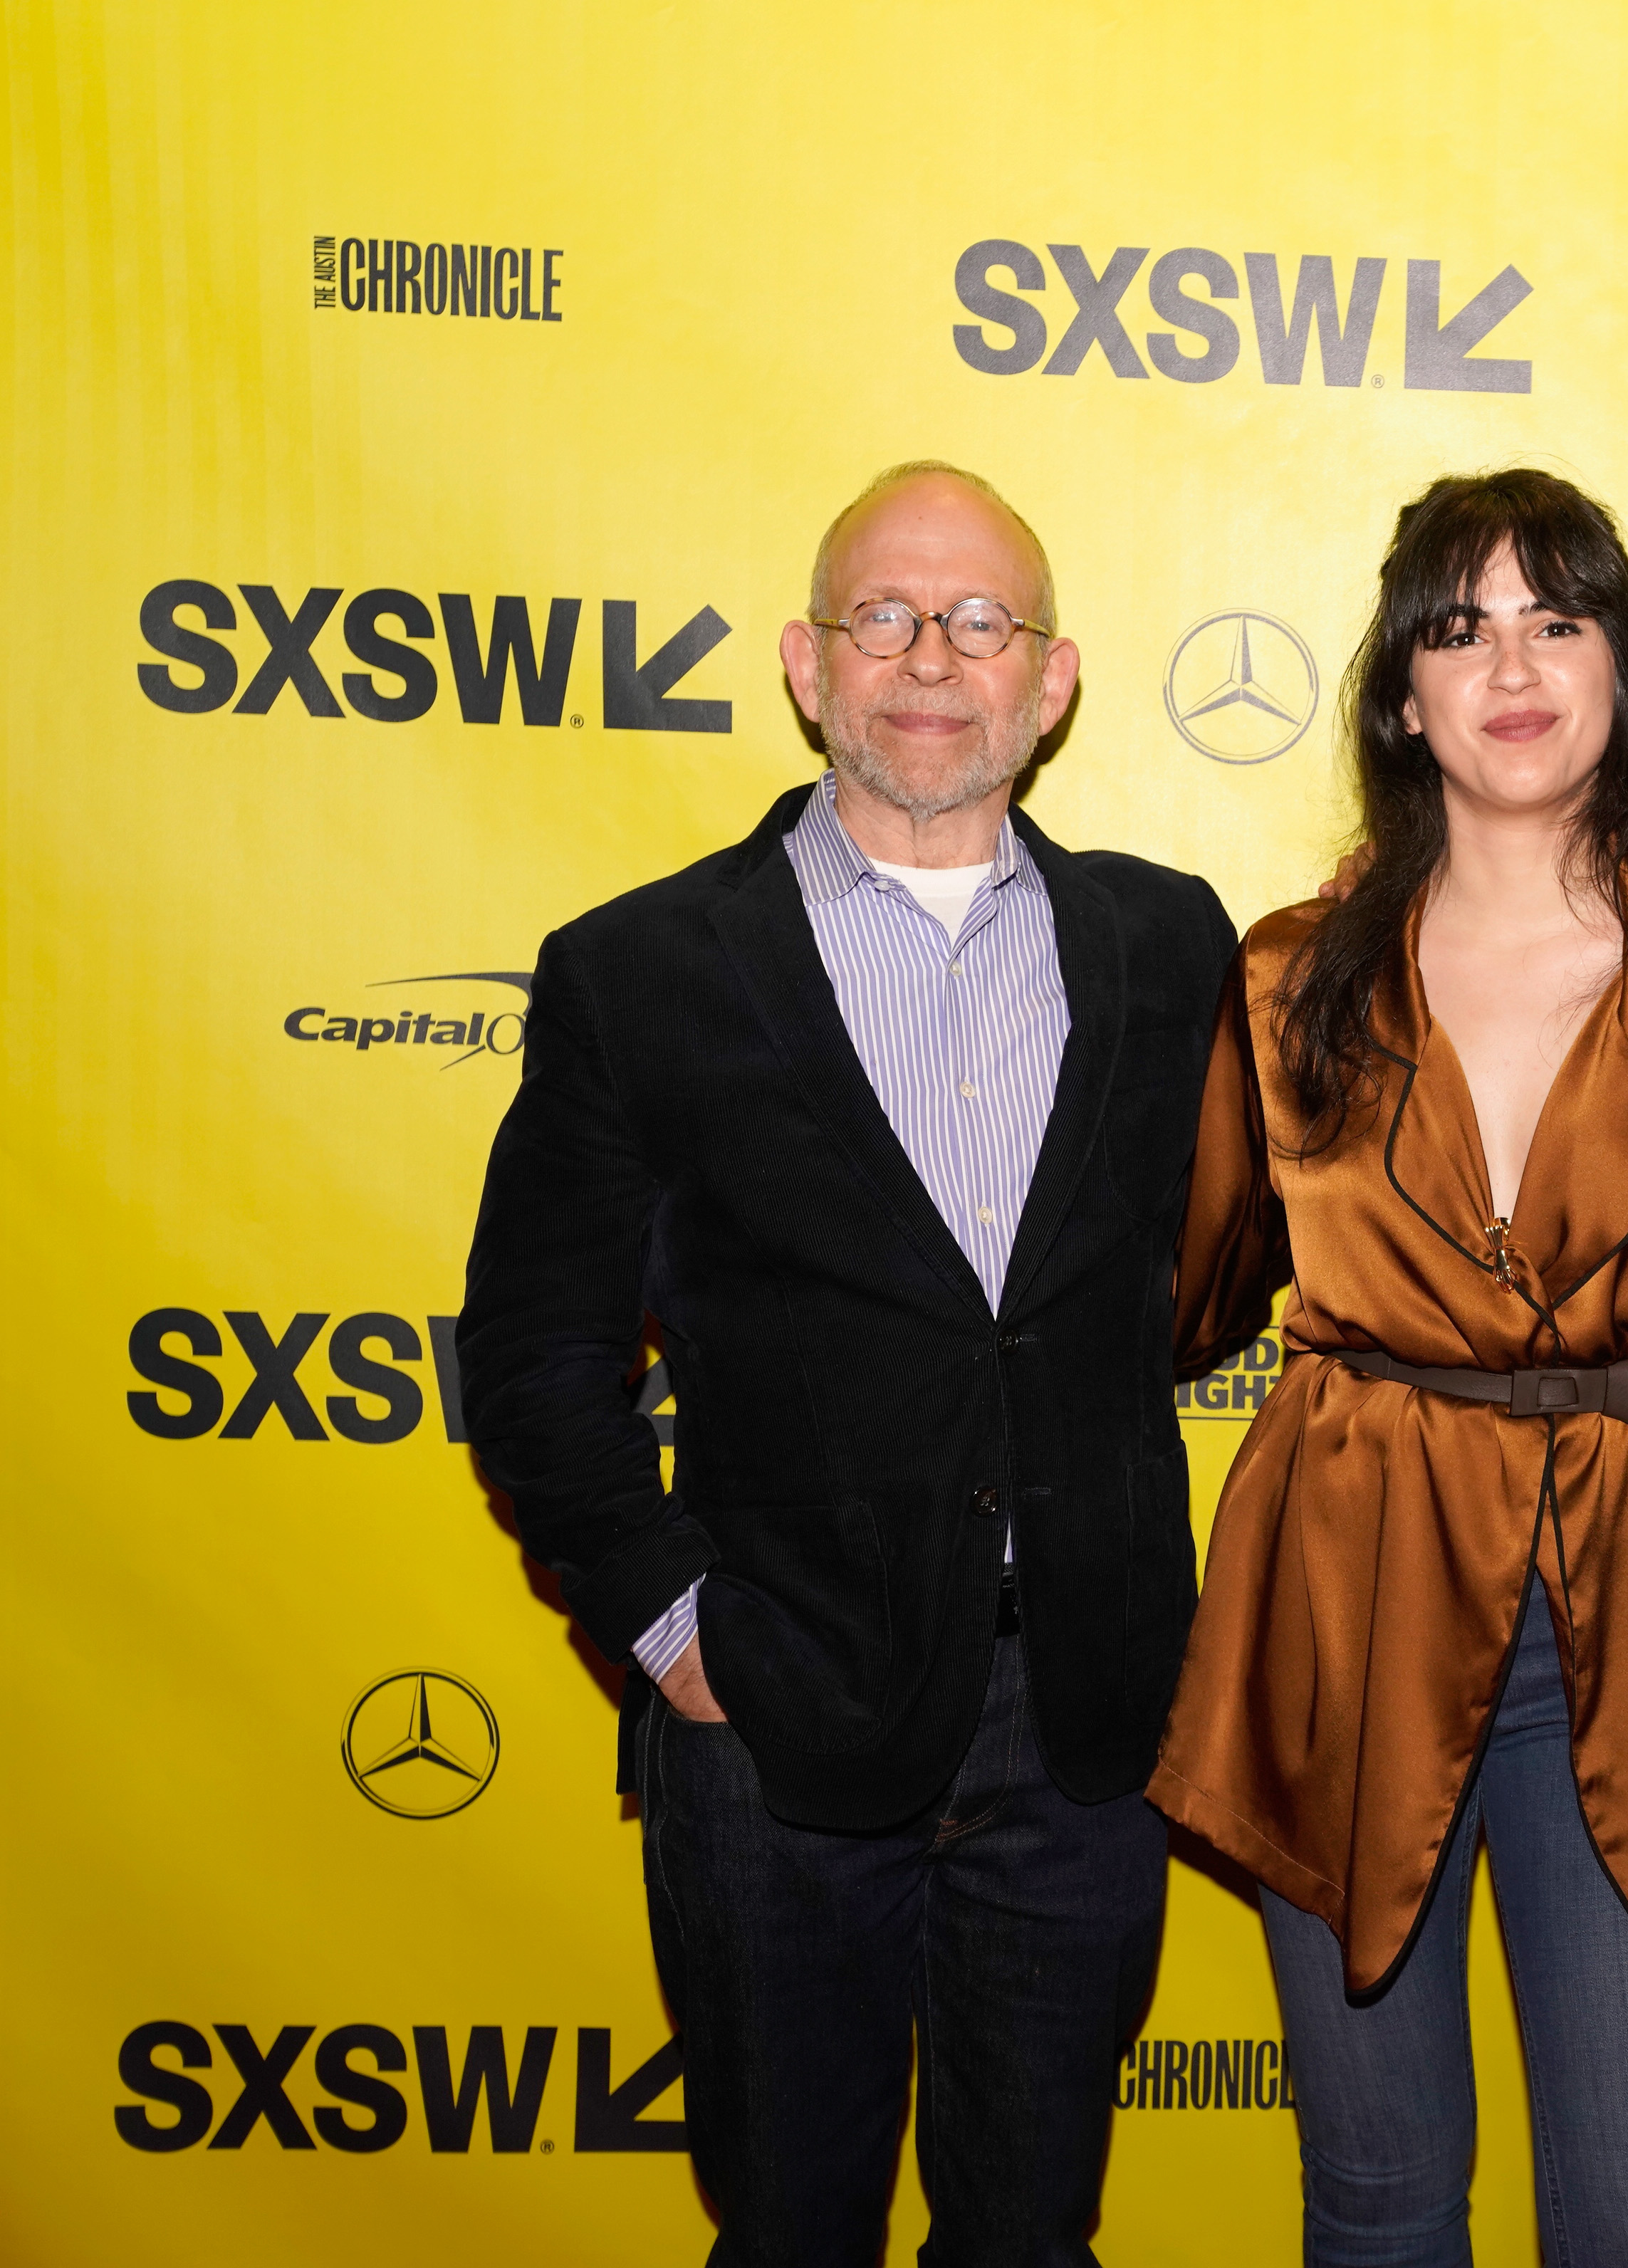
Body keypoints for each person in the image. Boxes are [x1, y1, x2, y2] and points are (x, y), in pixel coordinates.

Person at [459, 461, 1236, 2267]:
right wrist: (673, 1630)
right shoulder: (639, 969)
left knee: (1032, 2239)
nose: (930, 659)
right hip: (776, 1727)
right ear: (809, 665)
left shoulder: (1169, 942)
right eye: (883, 616)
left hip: (1084, 1734)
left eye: (981, 622)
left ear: (1050, 683)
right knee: (791, 2234)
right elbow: (532, 1354)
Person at [1152, 467, 1628, 2268]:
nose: (1509, 664)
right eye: (1457, 627)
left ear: (1625, 664)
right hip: (1344, 1604)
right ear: (1400, 690)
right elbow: (1169, 1291)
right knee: (1378, 2209)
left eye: (1557, 616)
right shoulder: (1290, 976)